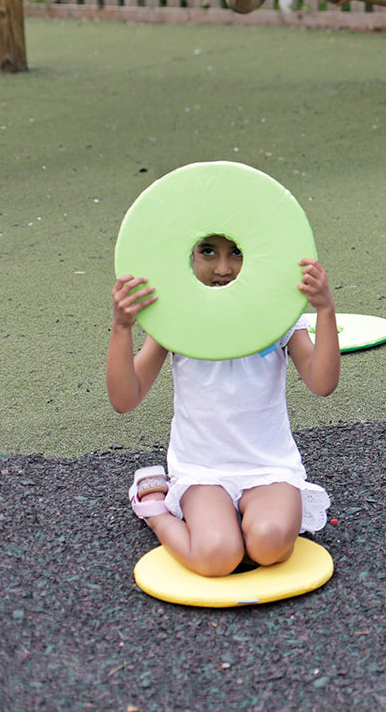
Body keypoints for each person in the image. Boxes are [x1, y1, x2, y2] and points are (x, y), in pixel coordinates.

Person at [107, 233, 340, 577]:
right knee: (217, 557)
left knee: (270, 544)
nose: (223, 267)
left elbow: (323, 384)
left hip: (267, 466)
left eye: (237, 252)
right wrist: (122, 327)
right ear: (190, 257)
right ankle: (155, 510)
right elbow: (124, 399)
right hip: (202, 469)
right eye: (208, 252)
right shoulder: (177, 321)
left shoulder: (278, 317)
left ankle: (234, 520)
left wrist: (325, 309)